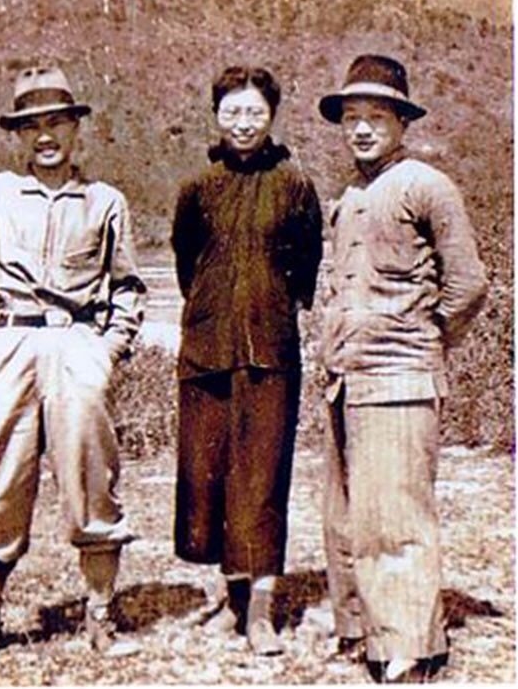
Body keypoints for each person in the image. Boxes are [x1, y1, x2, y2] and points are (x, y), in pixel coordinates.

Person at [0, 66, 146, 668]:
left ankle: (100, 613)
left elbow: (127, 287)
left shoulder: (105, 201)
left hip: (77, 346)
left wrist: (107, 350)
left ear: (76, 128)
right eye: (31, 126)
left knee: (91, 476)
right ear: (17, 134)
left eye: (57, 122)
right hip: (9, 345)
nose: (45, 136)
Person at [318, 54, 488, 683]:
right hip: (346, 378)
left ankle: (412, 647)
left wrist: (424, 340)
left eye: (376, 116)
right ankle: (362, 631)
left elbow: (467, 284)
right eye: (351, 118)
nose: (362, 129)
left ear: (402, 122)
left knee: (396, 518)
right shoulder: (350, 195)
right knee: (349, 518)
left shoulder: (426, 186)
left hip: (400, 377)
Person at [170, 66, 323, 655]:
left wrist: (267, 308)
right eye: (232, 111)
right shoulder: (196, 188)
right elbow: (188, 266)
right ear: (216, 115)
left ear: (272, 116)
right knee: (209, 479)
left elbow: (305, 267)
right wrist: (215, 312)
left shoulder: (295, 186)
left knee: (261, 481)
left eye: (254, 111)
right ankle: (231, 599)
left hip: (271, 355)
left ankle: (260, 612)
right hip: (207, 352)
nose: (243, 122)